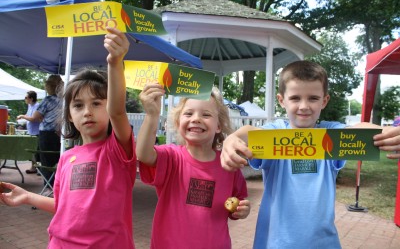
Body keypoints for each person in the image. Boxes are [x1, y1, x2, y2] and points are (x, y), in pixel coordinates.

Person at [220, 60, 400, 249]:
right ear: (282, 100)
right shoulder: (274, 134)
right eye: (295, 98)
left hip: (322, 243)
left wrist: (387, 131)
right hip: (275, 242)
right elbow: (250, 132)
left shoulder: (331, 134)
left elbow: (357, 130)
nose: (304, 106)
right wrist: (232, 138)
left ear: (324, 100)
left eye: (313, 98)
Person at [0, 27, 137, 248]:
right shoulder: (67, 158)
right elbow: (62, 205)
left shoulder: (118, 150)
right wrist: (27, 197)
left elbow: (118, 111)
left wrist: (115, 63)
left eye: (96, 103)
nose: (87, 112)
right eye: (78, 105)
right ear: (70, 116)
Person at [137, 84, 250, 249]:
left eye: (206, 114)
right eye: (188, 113)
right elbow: (143, 154)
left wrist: (242, 209)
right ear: (178, 121)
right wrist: (152, 115)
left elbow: (239, 200)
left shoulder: (229, 164)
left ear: (218, 126)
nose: (196, 118)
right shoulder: (171, 157)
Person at [29, 74, 64, 188]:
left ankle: (48, 186)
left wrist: (42, 117)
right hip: (59, 133)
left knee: (46, 161)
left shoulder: (48, 99)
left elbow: (35, 116)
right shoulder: (64, 100)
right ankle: (57, 185)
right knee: (57, 160)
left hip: (46, 134)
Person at [17, 90, 41, 174]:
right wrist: (23, 119)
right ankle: (34, 167)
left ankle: (38, 168)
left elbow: (33, 118)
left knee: (37, 151)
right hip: (31, 131)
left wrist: (23, 116)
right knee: (32, 151)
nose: (25, 99)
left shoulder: (37, 106)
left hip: (37, 132)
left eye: (26, 98)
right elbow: (28, 116)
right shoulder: (30, 106)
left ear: (31, 98)